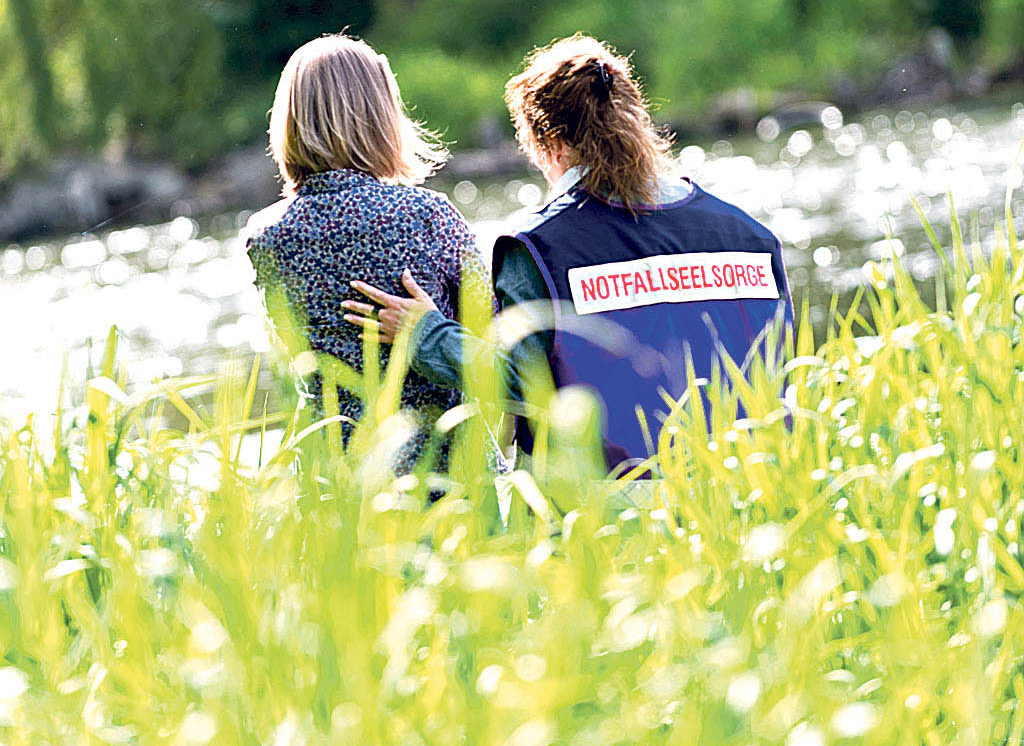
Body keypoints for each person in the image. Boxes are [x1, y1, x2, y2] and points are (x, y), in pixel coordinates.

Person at [344, 34, 794, 475]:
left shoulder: (540, 246)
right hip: (752, 486)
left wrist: (427, 335)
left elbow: (523, 383)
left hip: (607, 509)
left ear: (552, 145)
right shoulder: (751, 235)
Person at [245, 33, 488, 470]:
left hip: (341, 482)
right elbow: (495, 346)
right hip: (447, 477)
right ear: (380, 117)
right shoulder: (429, 216)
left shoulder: (266, 236)